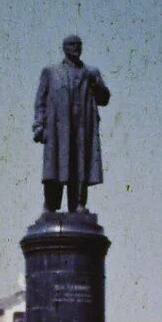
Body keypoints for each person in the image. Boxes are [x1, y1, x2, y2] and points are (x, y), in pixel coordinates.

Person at [33, 35, 111, 213]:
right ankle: (50, 206)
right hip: (57, 128)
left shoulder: (90, 73)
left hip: (82, 128)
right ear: (64, 48)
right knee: (55, 166)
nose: (76, 47)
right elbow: (40, 101)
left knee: (80, 165)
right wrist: (38, 126)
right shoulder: (51, 72)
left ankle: (78, 204)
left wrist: (96, 83)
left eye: (79, 45)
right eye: (72, 44)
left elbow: (104, 99)